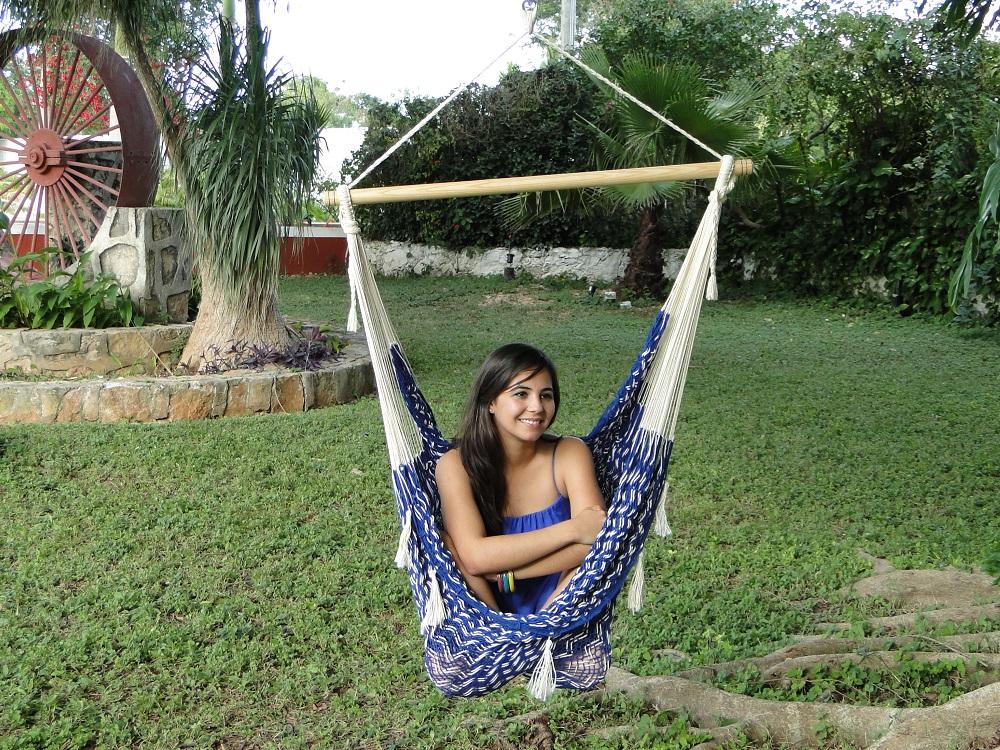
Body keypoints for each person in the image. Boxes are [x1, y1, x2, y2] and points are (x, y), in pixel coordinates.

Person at [436, 343, 607, 614]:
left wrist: (506, 573)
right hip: (484, 613)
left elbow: (597, 545)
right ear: (490, 401)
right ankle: (504, 636)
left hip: (561, 608)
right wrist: (573, 529)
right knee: (444, 543)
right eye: (521, 394)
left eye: (546, 395)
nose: (536, 407)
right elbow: (474, 558)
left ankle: (538, 636)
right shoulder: (457, 465)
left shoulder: (569, 454)